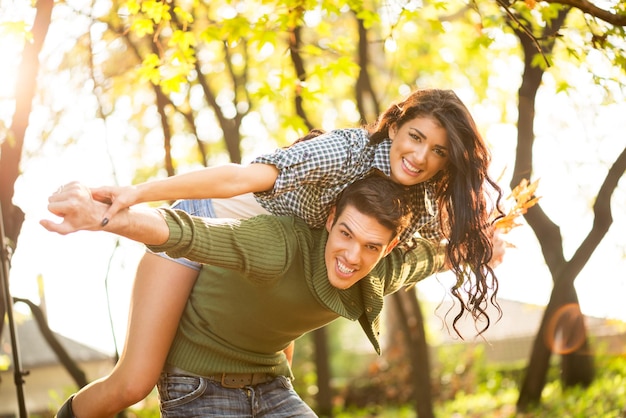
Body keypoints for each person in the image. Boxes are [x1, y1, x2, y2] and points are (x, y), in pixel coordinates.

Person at [45, 88, 504, 417]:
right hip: (211, 225)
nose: (421, 157)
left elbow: (427, 250)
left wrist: (482, 244)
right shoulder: (345, 152)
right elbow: (238, 179)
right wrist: (137, 194)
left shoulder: (419, 201)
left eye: (439, 151)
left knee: (273, 367)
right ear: (395, 125)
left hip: (275, 258)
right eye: (416, 136)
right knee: (135, 381)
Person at [43, 175, 448, 417]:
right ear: (330, 220)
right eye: (346, 234)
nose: (354, 256)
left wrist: (484, 244)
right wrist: (105, 217)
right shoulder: (277, 242)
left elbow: (434, 257)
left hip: (266, 378)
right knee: (132, 384)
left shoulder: (378, 265)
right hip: (197, 232)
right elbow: (189, 233)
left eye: (372, 246)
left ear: (389, 248)